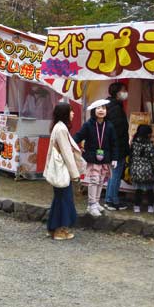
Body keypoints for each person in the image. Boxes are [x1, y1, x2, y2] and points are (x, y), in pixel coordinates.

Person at [46, 103, 85, 240]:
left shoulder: (57, 127)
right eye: (71, 111)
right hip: (62, 169)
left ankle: (53, 227)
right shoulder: (62, 129)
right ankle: (60, 230)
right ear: (65, 113)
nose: (73, 113)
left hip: (58, 168)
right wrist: (75, 175)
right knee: (65, 199)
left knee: (59, 199)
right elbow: (67, 154)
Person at [74, 99, 118, 218]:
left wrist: (114, 158)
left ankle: (96, 202)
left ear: (106, 111)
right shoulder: (88, 124)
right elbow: (79, 136)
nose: (101, 110)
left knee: (100, 181)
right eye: (98, 108)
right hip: (92, 158)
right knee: (93, 180)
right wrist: (70, 144)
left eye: (103, 108)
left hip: (105, 159)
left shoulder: (109, 126)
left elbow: (114, 143)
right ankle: (91, 204)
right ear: (94, 111)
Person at [104, 82, 130, 211]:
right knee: (115, 175)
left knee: (113, 174)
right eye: (124, 90)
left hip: (113, 147)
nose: (126, 92)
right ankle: (111, 200)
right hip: (117, 148)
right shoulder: (116, 108)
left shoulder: (109, 105)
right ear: (117, 92)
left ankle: (110, 199)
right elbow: (118, 130)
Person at [129, 124, 154, 214]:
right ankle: (150, 207)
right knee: (149, 190)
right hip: (147, 172)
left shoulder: (134, 143)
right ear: (148, 134)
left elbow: (131, 158)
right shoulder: (149, 145)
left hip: (135, 171)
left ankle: (136, 207)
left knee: (138, 190)